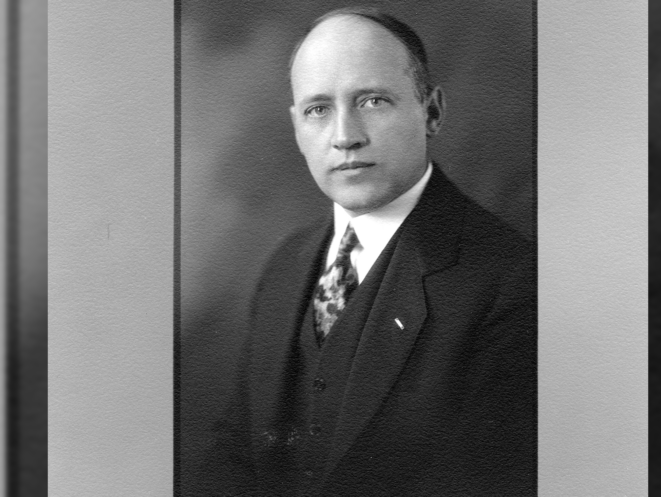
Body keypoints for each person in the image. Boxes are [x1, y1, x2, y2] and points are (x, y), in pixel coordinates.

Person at [194, 7, 536, 496]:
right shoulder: (286, 264)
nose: (344, 136)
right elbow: (235, 453)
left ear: (431, 112)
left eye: (373, 101)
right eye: (318, 109)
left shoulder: (511, 283)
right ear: (296, 127)